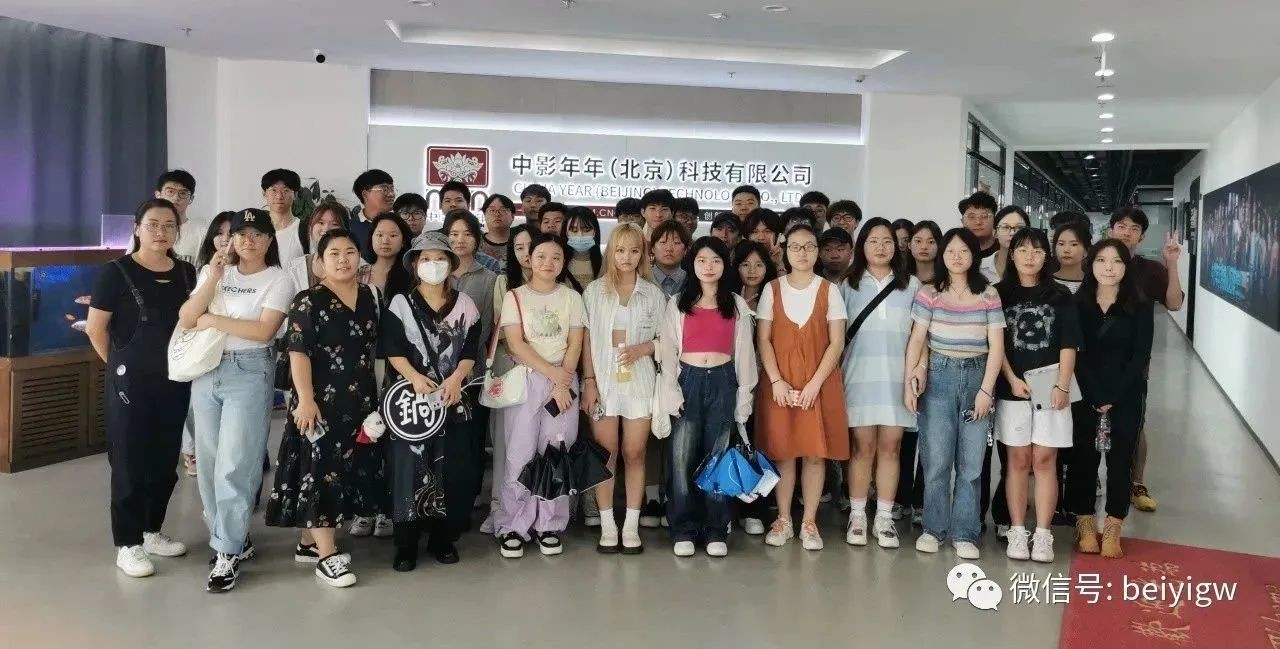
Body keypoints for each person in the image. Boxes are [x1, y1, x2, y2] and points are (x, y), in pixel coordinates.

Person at [179, 208, 293, 592]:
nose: (249, 241)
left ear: (269, 240)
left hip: (249, 370)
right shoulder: (215, 273)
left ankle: (226, 551)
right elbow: (187, 317)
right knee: (209, 462)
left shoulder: (278, 279)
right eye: (241, 234)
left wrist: (213, 321)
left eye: (257, 234)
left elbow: (263, 331)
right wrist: (212, 277)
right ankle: (229, 537)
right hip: (207, 369)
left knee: (236, 462)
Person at [87, 198, 196, 578]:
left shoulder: (186, 272)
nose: (160, 232)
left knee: (164, 463)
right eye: (152, 224)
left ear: (177, 230)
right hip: (129, 384)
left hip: (175, 381)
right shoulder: (115, 272)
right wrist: (119, 369)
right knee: (129, 463)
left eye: (168, 225)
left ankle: (152, 531)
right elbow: (95, 328)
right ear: (137, 228)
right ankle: (128, 543)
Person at [264, 229, 378, 588]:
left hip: (359, 400)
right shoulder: (307, 300)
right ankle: (328, 557)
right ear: (320, 262)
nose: (343, 259)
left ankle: (309, 543)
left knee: (344, 469)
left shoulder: (369, 295)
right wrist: (306, 399)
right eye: (334, 253)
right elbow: (298, 352)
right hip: (319, 401)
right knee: (321, 470)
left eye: (350, 251)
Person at [381, 231, 484, 570]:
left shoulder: (466, 305)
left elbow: (470, 349)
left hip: (454, 400)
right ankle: (406, 544)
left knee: (454, 470)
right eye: (425, 259)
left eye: (440, 258)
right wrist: (414, 377)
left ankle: (444, 539)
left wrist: (456, 379)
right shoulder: (400, 304)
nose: (433, 264)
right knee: (409, 469)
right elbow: (393, 349)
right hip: (412, 404)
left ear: (451, 265)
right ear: (414, 265)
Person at [905, 228, 1005, 561]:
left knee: (972, 464)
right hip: (939, 377)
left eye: (964, 251)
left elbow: (996, 347)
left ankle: (964, 532)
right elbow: (917, 339)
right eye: (950, 251)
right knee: (935, 460)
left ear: (974, 255)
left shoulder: (988, 293)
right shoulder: (930, 292)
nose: (957, 257)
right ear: (943, 255)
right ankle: (933, 529)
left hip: (977, 374)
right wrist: (911, 378)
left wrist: (986, 391)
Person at [655, 237, 758, 556]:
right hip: (688, 380)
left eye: (715, 260)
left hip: (723, 381)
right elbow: (668, 350)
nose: (709, 266)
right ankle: (683, 528)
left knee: (717, 458)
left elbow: (745, 354)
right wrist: (671, 390)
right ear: (693, 264)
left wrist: (744, 397)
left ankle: (715, 529)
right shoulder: (678, 302)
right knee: (681, 457)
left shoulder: (736, 304)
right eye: (702, 260)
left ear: (724, 265)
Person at [757, 223, 850, 551]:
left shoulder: (830, 290)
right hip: (780, 386)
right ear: (785, 250)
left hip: (819, 384)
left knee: (814, 454)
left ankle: (809, 522)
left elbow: (836, 343)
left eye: (809, 246)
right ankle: (783, 519)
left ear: (817, 251)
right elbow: (764, 340)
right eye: (795, 246)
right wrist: (776, 381)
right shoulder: (772, 289)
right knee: (783, 453)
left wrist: (814, 384)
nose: (802, 253)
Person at [493, 234, 586, 558]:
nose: (549, 262)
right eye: (542, 256)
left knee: (556, 453)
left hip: (564, 381)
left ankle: (550, 524)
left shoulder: (572, 297)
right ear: (529, 259)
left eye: (556, 257)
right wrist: (551, 374)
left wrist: (562, 382)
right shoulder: (515, 296)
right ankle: (513, 525)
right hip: (528, 380)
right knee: (519, 454)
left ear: (563, 263)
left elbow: (575, 343)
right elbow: (515, 344)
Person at [994, 228, 1079, 563]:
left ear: (1047, 256)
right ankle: (1017, 530)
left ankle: (1043, 534)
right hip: (1012, 386)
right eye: (1022, 250)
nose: (1029, 257)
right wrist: (1011, 379)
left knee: (1044, 459)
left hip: (1050, 384)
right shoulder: (998, 294)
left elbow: (1069, 343)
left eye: (1037, 251)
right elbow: (995, 344)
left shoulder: (1060, 295)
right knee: (1017, 460)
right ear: (1012, 254)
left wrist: (1063, 385)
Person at [1065, 239, 1154, 559]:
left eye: (1116, 261)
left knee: (1120, 460)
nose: (1109, 268)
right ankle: (1085, 522)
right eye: (1101, 260)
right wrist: (1095, 394)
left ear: (1126, 266)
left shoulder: (1140, 305)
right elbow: (1076, 353)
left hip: (1126, 394)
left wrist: (1114, 395)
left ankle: (1114, 523)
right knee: (1082, 459)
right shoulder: (1078, 304)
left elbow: (1141, 354)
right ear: (1090, 264)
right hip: (1085, 393)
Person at [580, 223, 664, 554]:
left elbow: (667, 340)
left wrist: (645, 348)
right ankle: (607, 525)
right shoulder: (594, 291)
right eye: (620, 250)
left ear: (643, 254)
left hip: (639, 383)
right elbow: (586, 341)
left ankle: (630, 525)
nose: (626, 257)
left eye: (634, 250)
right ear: (610, 253)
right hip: (603, 383)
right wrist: (589, 383)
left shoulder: (653, 294)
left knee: (635, 452)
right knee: (606, 454)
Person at [838, 218, 920, 549]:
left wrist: (917, 374)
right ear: (862, 246)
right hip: (858, 377)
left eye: (887, 241)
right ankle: (858, 515)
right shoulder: (848, 284)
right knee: (862, 448)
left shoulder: (911, 285)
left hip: (897, 379)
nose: (881, 247)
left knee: (891, 447)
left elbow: (920, 337)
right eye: (873, 241)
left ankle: (884, 517)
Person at [1107, 207, 1183, 514]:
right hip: (1093, 362)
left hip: (1135, 363)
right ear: (1110, 230)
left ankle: (1135, 483)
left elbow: (1174, 303)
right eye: (1121, 226)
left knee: (1133, 425)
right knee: (1087, 423)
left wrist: (1172, 264)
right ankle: (1094, 478)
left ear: (1141, 236)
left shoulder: (1149, 270)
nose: (1126, 232)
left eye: (1134, 228)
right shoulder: (1093, 263)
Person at [480, 224, 535, 535]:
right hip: (510, 366)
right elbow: (506, 330)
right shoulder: (504, 282)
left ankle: (534, 506)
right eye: (519, 248)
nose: (526, 253)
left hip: (544, 370)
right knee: (505, 442)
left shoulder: (561, 284)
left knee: (536, 442)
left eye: (531, 246)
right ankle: (499, 506)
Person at [181, 211, 237, 476]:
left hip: (240, 353)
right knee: (200, 415)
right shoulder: (205, 270)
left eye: (231, 233)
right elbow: (191, 317)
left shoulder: (257, 272)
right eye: (219, 233)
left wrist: (214, 320)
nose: (225, 239)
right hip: (205, 351)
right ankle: (193, 453)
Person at [897, 219, 943, 526]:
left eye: (930, 241)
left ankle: (922, 499)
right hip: (904, 360)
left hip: (939, 363)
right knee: (904, 434)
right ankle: (900, 497)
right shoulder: (901, 280)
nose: (924, 246)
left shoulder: (946, 281)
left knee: (931, 436)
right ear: (909, 244)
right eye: (918, 240)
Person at [445, 209, 500, 354]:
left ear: (477, 239)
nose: (460, 240)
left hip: (474, 358)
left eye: (468, 234)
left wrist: (465, 357)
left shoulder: (489, 278)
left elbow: (486, 325)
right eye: (454, 234)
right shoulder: (437, 274)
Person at [286, 202, 349, 292]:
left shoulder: (358, 267)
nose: (326, 229)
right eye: (321, 223)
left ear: (345, 230)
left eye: (334, 224)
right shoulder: (294, 267)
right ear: (311, 227)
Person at [152, 170, 204, 264]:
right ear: (158, 195)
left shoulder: (203, 232)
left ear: (191, 199)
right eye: (170, 191)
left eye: (183, 193)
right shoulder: (145, 229)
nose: (176, 197)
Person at [362, 213, 414, 306]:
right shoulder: (359, 274)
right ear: (371, 238)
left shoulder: (412, 276)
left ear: (403, 241)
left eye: (393, 235)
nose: (385, 241)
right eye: (379, 235)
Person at [261, 169, 307, 265]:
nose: (279, 196)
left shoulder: (305, 230)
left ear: (295, 195)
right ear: (264, 194)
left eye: (285, 190)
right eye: (273, 190)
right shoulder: (256, 229)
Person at [350, 170, 397, 253]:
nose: (391, 194)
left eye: (392, 189)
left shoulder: (399, 223)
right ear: (365, 195)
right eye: (384, 189)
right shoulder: (349, 228)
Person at [983, 206, 1029, 283]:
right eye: (1005, 227)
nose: (1012, 233)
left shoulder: (1033, 267)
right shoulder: (980, 266)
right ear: (995, 233)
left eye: (1019, 227)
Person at [563, 206, 604, 290]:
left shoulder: (606, 263)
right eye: (574, 230)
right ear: (566, 233)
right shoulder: (558, 261)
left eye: (586, 230)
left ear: (595, 232)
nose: (580, 235)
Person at [651, 219, 691, 298]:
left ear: (685, 250)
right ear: (653, 248)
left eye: (676, 243)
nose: (669, 249)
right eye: (663, 242)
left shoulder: (693, 282)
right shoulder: (641, 279)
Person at [734, 241, 778, 312]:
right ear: (738, 267)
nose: (752, 271)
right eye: (746, 265)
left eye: (759, 265)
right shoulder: (728, 298)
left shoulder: (773, 298)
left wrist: (779, 263)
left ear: (766, 268)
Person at [1053, 221, 1093, 294]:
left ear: (1086, 251)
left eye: (1074, 244)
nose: (1066, 250)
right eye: (1061, 244)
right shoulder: (1044, 281)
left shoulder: (1094, 284)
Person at [959, 191, 1000, 262]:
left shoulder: (1004, 249)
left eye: (984, 216)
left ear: (994, 220)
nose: (978, 222)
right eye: (971, 217)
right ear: (962, 221)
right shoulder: (954, 250)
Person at [480, 194, 516, 270]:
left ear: (512, 216)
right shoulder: (475, 243)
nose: (497, 214)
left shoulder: (521, 243)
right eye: (492, 210)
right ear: (484, 215)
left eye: (503, 210)